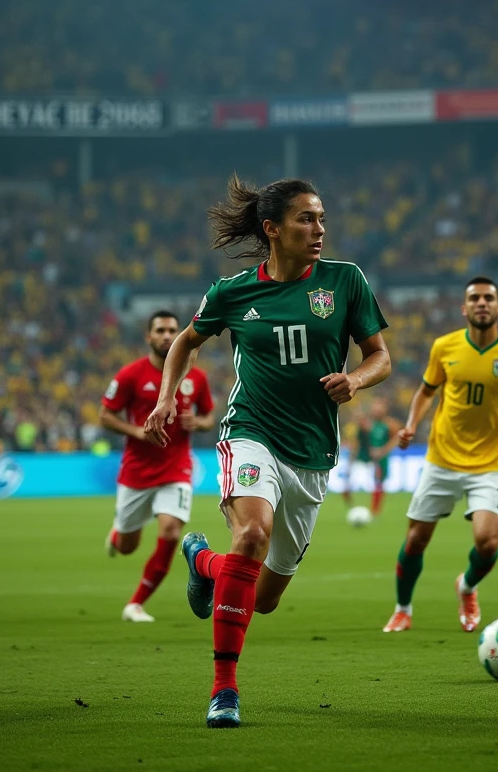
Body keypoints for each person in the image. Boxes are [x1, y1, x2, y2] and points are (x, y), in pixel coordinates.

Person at [144, 175, 390, 728]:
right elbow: (186, 340)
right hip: (250, 431)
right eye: (307, 219)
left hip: (313, 452)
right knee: (251, 536)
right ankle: (223, 690)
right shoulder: (231, 292)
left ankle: (203, 562)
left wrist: (357, 380)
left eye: (322, 218)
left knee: (264, 597)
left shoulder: (345, 282)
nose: (320, 229)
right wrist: (166, 398)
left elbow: (381, 356)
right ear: (272, 229)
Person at [382, 276, 498, 634]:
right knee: (416, 540)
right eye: (475, 298)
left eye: (489, 298)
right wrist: (412, 425)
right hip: (442, 458)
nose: (482, 303)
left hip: (490, 463)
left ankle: (467, 587)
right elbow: (426, 392)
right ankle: (403, 608)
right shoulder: (445, 347)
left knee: (487, 543)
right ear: (464, 308)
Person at [99, 310, 215, 623]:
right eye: (160, 330)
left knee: (171, 530)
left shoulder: (197, 378)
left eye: (172, 330)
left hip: (176, 467)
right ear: (148, 336)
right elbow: (105, 415)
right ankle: (116, 535)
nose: (167, 335)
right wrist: (137, 431)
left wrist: (199, 423)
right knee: (126, 547)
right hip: (136, 471)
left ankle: (135, 604)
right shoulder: (130, 375)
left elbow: (209, 416)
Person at [344, 397, 398, 515]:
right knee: (352, 484)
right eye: (375, 407)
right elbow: (359, 440)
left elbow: (396, 439)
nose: (377, 410)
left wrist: (383, 451)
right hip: (364, 458)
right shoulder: (368, 423)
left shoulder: (390, 424)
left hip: (381, 458)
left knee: (379, 483)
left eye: (379, 407)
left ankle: (374, 511)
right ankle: (354, 507)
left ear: (385, 409)